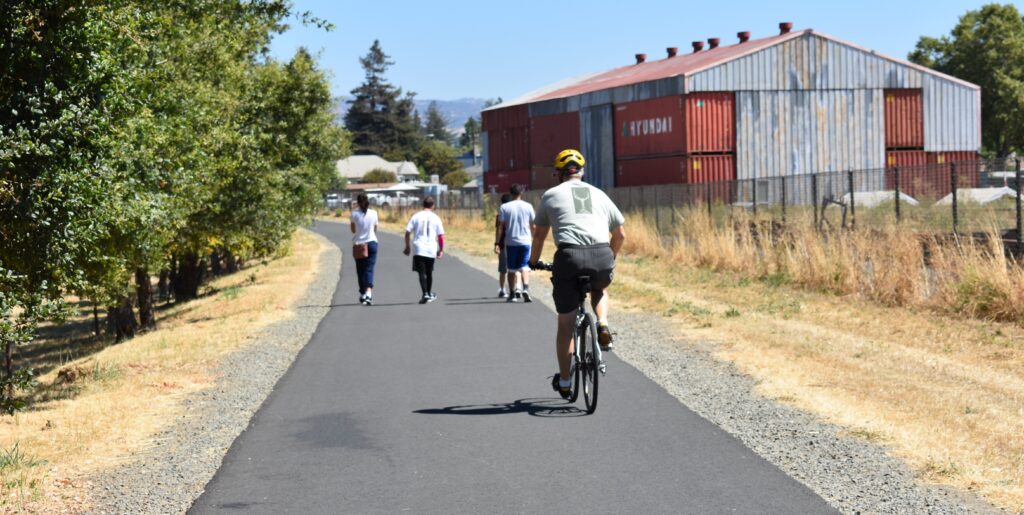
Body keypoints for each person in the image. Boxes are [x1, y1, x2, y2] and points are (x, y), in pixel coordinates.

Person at [529, 149, 626, 399]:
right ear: (582, 171)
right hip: (602, 253)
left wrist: (533, 261)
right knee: (600, 288)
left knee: (565, 323)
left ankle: (564, 380)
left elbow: (539, 234)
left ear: (558, 174)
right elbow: (621, 234)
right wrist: (610, 258)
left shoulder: (551, 194)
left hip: (569, 257)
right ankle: (602, 323)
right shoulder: (600, 194)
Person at [496, 184, 536, 303]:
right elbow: (532, 224)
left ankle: (512, 293)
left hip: (511, 241)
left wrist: (498, 242)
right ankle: (526, 288)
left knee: (512, 268)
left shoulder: (505, 207)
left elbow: (500, 227)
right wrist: (534, 237)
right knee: (525, 266)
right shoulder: (528, 206)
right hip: (525, 241)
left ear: (510, 193)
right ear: (521, 193)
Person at [404, 197, 445, 304]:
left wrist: (407, 246)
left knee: (421, 272)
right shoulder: (436, 218)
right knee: (429, 272)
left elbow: (407, 232)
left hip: (419, 248)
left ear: (423, 204)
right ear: (433, 206)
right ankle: (428, 293)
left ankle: (425, 293)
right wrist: (441, 249)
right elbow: (441, 236)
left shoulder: (416, 216)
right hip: (431, 248)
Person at [350, 194, 379, 306]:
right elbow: (376, 228)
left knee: (360, 269)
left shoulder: (354, 214)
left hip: (359, 244)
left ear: (357, 202)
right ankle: (368, 293)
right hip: (372, 242)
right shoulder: (374, 213)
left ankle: (363, 293)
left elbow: (353, 230)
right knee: (369, 268)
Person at [493, 193, 512, 298]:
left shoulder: (500, 215)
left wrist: (496, 243)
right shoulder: (514, 213)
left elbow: (498, 229)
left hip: (502, 243)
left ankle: (502, 289)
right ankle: (514, 288)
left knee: (503, 268)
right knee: (513, 268)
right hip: (514, 242)